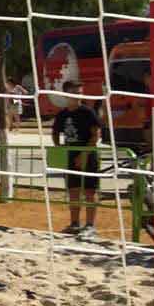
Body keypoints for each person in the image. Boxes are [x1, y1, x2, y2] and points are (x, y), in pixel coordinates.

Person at [52, 80, 106, 236]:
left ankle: (90, 225)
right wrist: (59, 149)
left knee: (90, 191)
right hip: (70, 155)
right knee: (73, 191)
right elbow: (55, 132)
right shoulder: (62, 114)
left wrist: (83, 155)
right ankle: (75, 223)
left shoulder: (88, 112)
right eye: (75, 93)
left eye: (80, 93)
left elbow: (95, 135)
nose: (78, 96)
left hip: (88, 155)